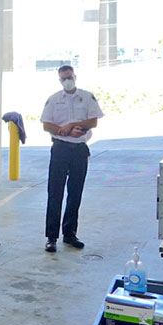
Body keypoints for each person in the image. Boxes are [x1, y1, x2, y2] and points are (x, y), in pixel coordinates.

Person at [40, 65, 103, 253]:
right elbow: (46, 125)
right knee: (55, 193)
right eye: (63, 78)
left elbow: (93, 121)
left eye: (69, 77)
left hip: (79, 150)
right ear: (59, 80)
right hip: (60, 149)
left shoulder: (87, 97)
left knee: (75, 193)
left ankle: (70, 233)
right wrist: (62, 130)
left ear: (75, 76)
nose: (67, 80)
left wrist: (73, 125)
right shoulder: (53, 99)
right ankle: (51, 237)